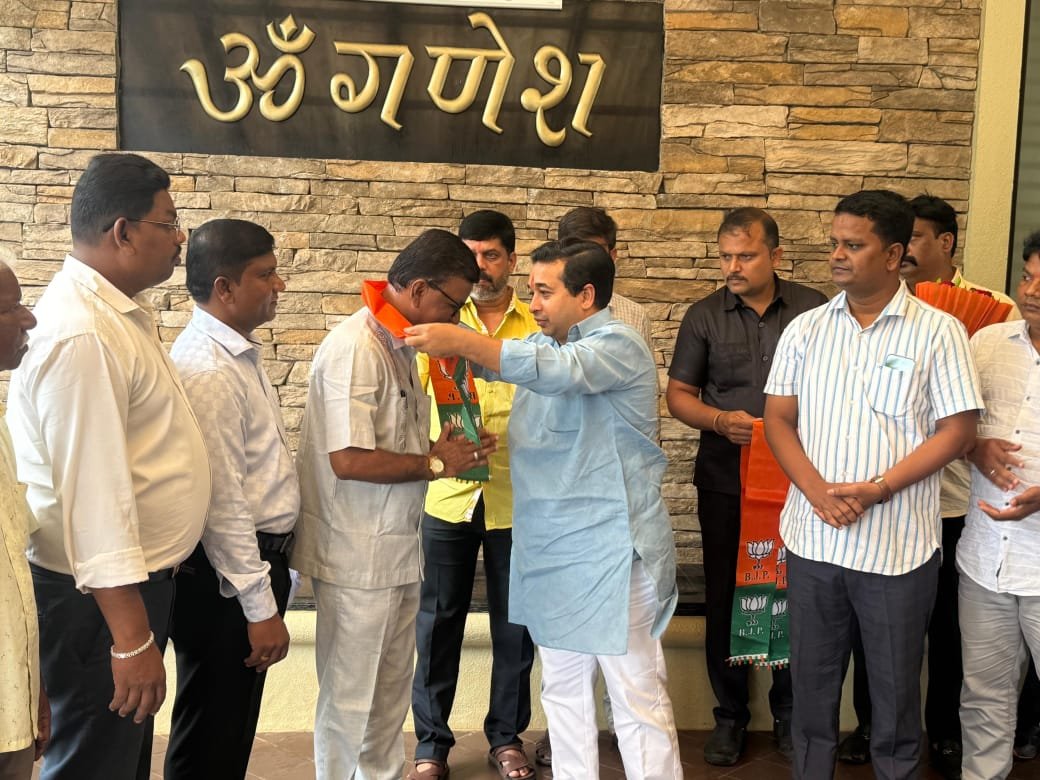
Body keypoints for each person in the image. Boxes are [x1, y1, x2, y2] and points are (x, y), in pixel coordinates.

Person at [405, 239, 682, 780]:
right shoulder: (543, 347)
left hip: (613, 555)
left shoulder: (618, 345)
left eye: (545, 292)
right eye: (531, 291)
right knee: (562, 692)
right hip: (551, 552)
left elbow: (560, 371)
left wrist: (464, 339)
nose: (532, 304)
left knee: (636, 697)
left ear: (587, 295)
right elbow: (510, 365)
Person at [763, 189, 982, 780]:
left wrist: (879, 488)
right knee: (812, 695)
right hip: (814, 542)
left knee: (895, 701)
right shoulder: (806, 329)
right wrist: (815, 491)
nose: (837, 255)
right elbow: (778, 419)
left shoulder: (939, 332)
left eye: (853, 245)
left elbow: (958, 430)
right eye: (834, 243)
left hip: (897, 550)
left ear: (891, 255)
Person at [7, 152, 212, 780]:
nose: (180, 237)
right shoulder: (84, 333)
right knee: (94, 764)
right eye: (168, 223)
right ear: (122, 232)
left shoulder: (114, 313)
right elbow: (91, 497)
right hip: (98, 600)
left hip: (125, 591)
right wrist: (131, 637)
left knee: (116, 761)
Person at [293, 229, 489, 780]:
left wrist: (444, 452)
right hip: (356, 556)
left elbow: (395, 444)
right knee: (350, 696)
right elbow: (348, 459)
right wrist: (435, 464)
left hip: (398, 551)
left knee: (389, 694)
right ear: (420, 289)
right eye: (453, 304)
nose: (456, 318)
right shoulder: (356, 348)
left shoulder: (399, 345)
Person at [838, 194, 1020, 778]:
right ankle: (871, 724)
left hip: (956, 500)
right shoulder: (872, 308)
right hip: (885, 499)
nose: (907, 249)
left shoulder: (995, 313)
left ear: (944, 243)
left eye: (917, 237)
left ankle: (942, 731)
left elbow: (998, 408)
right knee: (873, 624)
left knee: (948, 628)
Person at [666, 208, 826, 765]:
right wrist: (717, 420)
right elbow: (678, 395)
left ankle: (790, 713)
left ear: (775, 256)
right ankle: (729, 716)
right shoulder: (704, 315)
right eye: (725, 256)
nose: (732, 267)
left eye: (746, 256)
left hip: (802, 479)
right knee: (726, 594)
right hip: (725, 479)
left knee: (796, 591)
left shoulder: (813, 310)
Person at [164, 219, 300, 779]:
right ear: (224, 287)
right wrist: (258, 605)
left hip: (251, 569)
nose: (279, 285)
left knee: (229, 726)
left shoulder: (236, 353)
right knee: (212, 731)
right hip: (227, 580)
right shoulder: (209, 368)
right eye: (266, 275)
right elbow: (222, 502)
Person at [409, 211, 537, 780]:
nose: (480, 267)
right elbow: (411, 401)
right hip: (447, 493)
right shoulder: (434, 320)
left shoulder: (535, 323)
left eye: (491, 255)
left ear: (511, 260)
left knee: (515, 625)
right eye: (471, 255)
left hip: (518, 494)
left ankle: (506, 738)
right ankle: (431, 744)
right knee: (438, 621)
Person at [957, 231, 1040, 780]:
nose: (1031, 291)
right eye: (1028, 276)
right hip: (984, 560)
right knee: (984, 698)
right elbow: (947, 425)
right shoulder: (986, 343)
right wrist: (973, 446)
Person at [0, 262, 49, 780]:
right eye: (11, 308)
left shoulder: (1, 428)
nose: (29, 319)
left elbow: (13, 575)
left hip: (11, 704)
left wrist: (34, 686)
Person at [558, 206, 652, 347]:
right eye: (575, 251)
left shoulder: (635, 316)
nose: (583, 260)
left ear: (612, 256)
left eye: (593, 251)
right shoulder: (545, 313)